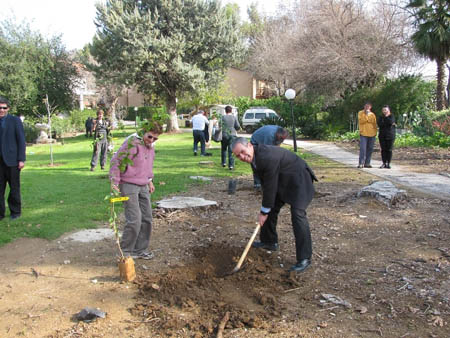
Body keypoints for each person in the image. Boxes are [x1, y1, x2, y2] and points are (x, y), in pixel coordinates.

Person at [232, 137, 317, 273]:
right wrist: (265, 209)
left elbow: (270, 185)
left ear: (249, 145)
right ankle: (269, 241)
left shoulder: (266, 156)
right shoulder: (255, 155)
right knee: (269, 208)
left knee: (298, 215)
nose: (242, 157)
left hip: (299, 180)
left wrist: (263, 211)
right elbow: (267, 185)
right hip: (282, 179)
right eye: (238, 156)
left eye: (242, 152)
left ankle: (304, 259)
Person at [109, 121, 163, 259]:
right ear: (143, 132)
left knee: (147, 218)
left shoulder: (150, 147)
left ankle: (140, 250)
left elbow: (148, 165)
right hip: (128, 185)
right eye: (150, 136)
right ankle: (126, 252)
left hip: (143, 185)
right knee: (134, 219)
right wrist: (114, 182)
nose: (151, 140)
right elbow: (116, 161)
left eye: (155, 138)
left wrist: (150, 181)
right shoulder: (132, 143)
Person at [0, 97, 26, 220]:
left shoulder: (15, 121)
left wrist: (21, 159)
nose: (1, 110)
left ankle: (15, 212)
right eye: (0, 107)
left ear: (8, 108)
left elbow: (21, 141)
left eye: (4, 108)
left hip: (12, 161)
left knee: (14, 188)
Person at [357, 102, 377, 168]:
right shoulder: (360, 113)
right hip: (363, 133)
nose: (367, 108)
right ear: (364, 106)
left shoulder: (373, 114)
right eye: (366, 106)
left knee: (370, 149)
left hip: (372, 133)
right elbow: (361, 121)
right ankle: (361, 163)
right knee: (363, 148)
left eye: (368, 106)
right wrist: (366, 115)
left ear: (370, 107)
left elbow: (374, 123)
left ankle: (367, 163)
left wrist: (375, 131)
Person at [220, 105, 241, 170]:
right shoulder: (234, 117)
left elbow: (219, 125)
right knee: (231, 150)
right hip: (232, 135)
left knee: (223, 149)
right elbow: (237, 126)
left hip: (224, 134)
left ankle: (223, 163)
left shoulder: (222, 117)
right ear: (231, 110)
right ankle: (231, 165)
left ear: (225, 111)